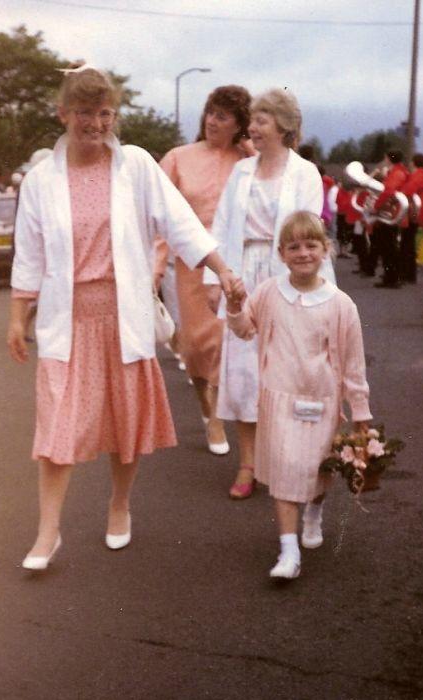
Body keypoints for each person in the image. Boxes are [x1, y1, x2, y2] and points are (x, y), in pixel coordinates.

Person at [8, 66, 243, 571]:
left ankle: (119, 505)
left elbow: (179, 223)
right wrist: (15, 316)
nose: (96, 123)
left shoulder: (134, 165)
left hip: (123, 315)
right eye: (85, 113)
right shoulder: (42, 180)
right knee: (57, 429)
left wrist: (221, 269)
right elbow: (28, 253)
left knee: (125, 421)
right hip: (66, 319)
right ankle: (48, 531)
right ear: (64, 114)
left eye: (105, 113)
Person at [204, 87, 335, 500]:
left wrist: (304, 287)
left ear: (283, 126)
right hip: (243, 276)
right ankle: (247, 462)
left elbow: (309, 234)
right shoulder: (242, 172)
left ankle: (286, 460)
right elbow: (223, 223)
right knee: (244, 373)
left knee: (287, 372)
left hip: (289, 276)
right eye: (253, 121)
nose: (252, 129)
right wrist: (215, 281)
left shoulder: (305, 173)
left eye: (261, 121)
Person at [226, 211, 372, 579]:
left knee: (316, 472)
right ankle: (288, 553)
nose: (303, 252)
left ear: (326, 249)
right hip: (279, 397)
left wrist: (361, 414)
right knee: (288, 471)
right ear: (281, 253)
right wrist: (233, 305)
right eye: (294, 246)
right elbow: (245, 330)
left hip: (322, 400)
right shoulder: (269, 293)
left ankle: (315, 511)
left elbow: (354, 365)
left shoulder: (341, 305)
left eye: (311, 245)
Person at [155, 85, 253, 456]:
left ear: (238, 125)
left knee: (229, 342)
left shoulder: (246, 162)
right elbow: (163, 216)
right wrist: (154, 265)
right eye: (211, 112)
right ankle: (207, 408)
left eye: (223, 116)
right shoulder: (178, 158)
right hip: (191, 267)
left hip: (235, 266)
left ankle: (225, 419)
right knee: (196, 346)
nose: (213, 120)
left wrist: (252, 149)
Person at [369, 149, 409, 288]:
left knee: (388, 247)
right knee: (389, 246)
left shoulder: (396, 173)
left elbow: (388, 190)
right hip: (391, 212)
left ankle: (391, 278)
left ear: (387, 158)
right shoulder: (398, 171)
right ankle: (391, 276)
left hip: (390, 213)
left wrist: (376, 206)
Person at [399, 153, 423, 283]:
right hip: (419, 211)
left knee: (406, 243)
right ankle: (409, 274)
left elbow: (407, 191)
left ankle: (407, 274)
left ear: (414, 163)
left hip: (413, 212)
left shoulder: (418, 175)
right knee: (408, 242)